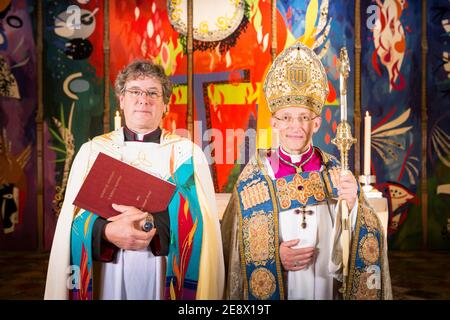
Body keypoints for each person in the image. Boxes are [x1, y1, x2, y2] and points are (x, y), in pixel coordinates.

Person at [221, 42, 392, 300]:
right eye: (287, 117)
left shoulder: (335, 170)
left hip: (325, 283)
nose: (295, 126)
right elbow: (233, 247)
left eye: (304, 117)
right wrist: (274, 256)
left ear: (316, 123)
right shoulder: (255, 175)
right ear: (274, 123)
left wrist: (354, 204)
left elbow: (365, 234)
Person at [44, 60, 224, 300]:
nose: (143, 99)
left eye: (153, 93)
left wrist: (150, 223)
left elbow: (201, 224)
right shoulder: (92, 152)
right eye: (135, 91)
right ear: (122, 99)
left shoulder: (188, 155)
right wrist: (106, 232)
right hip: (107, 273)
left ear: (165, 105)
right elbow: (72, 222)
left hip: (163, 271)